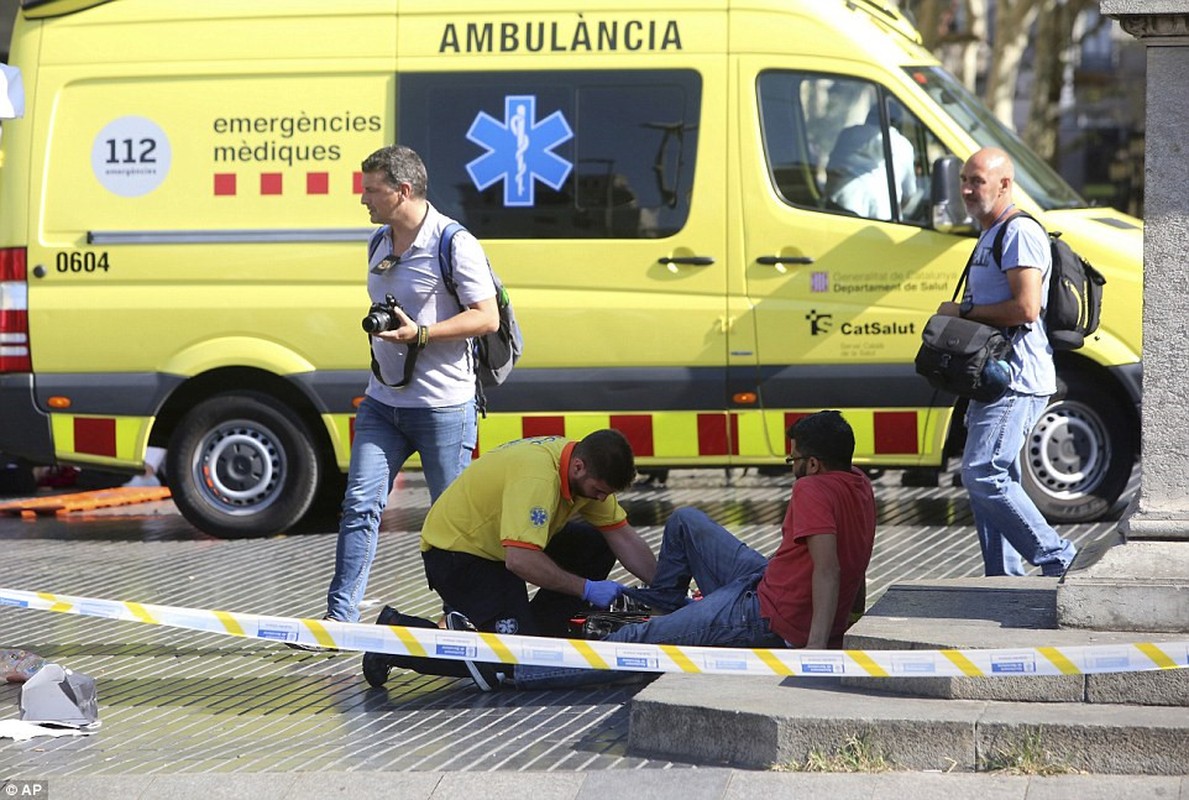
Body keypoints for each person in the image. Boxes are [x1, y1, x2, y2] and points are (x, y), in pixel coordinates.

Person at [463, 410, 876, 691]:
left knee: (637, 639)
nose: (792, 466)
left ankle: (517, 671)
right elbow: (855, 560)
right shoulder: (858, 482)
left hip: (767, 614)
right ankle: (669, 603)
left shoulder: (812, 489)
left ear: (815, 464)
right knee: (685, 521)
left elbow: (829, 570)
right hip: (766, 580)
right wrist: (849, 618)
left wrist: (817, 650)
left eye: (795, 458)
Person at [319, 145, 500, 627]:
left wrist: (420, 333)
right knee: (359, 505)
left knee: (450, 521)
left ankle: (460, 618)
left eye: (371, 191)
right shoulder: (379, 242)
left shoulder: (453, 243)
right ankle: (339, 620)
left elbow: (486, 317)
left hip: (443, 406)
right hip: (383, 402)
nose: (363, 200)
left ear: (402, 191)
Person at [361, 429, 658, 689]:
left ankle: (538, 633)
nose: (601, 499)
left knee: (596, 544)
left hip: (496, 548)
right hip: (457, 557)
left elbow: (624, 538)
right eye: (598, 491)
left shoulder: (581, 468)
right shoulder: (538, 476)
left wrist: (665, 589)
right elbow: (521, 561)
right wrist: (585, 588)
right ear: (579, 467)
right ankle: (396, 637)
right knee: (516, 662)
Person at [935, 147, 1077, 578]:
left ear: (1004, 185)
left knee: (984, 473)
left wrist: (961, 314)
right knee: (991, 483)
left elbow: (1026, 308)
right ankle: (1003, 580)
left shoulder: (1018, 232)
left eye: (976, 181)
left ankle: (1059, 558)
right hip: (991, 380)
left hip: (1015, 379)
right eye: (964, 179)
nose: (966, 189)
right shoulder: (990, 233)